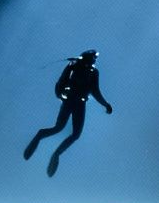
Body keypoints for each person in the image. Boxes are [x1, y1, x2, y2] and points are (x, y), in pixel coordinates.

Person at [24, 49, 112, 177]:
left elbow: (93, 91)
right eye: (94, 58)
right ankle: (48, 145)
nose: (95, 60)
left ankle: (53, 150)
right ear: (89, 58)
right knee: (66, 131)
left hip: (75, 102)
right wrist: (106, 104)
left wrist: (105, 104)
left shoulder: (84, 69)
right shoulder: (79, 68)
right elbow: (93, 91)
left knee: (67, 131)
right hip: (73, 102)